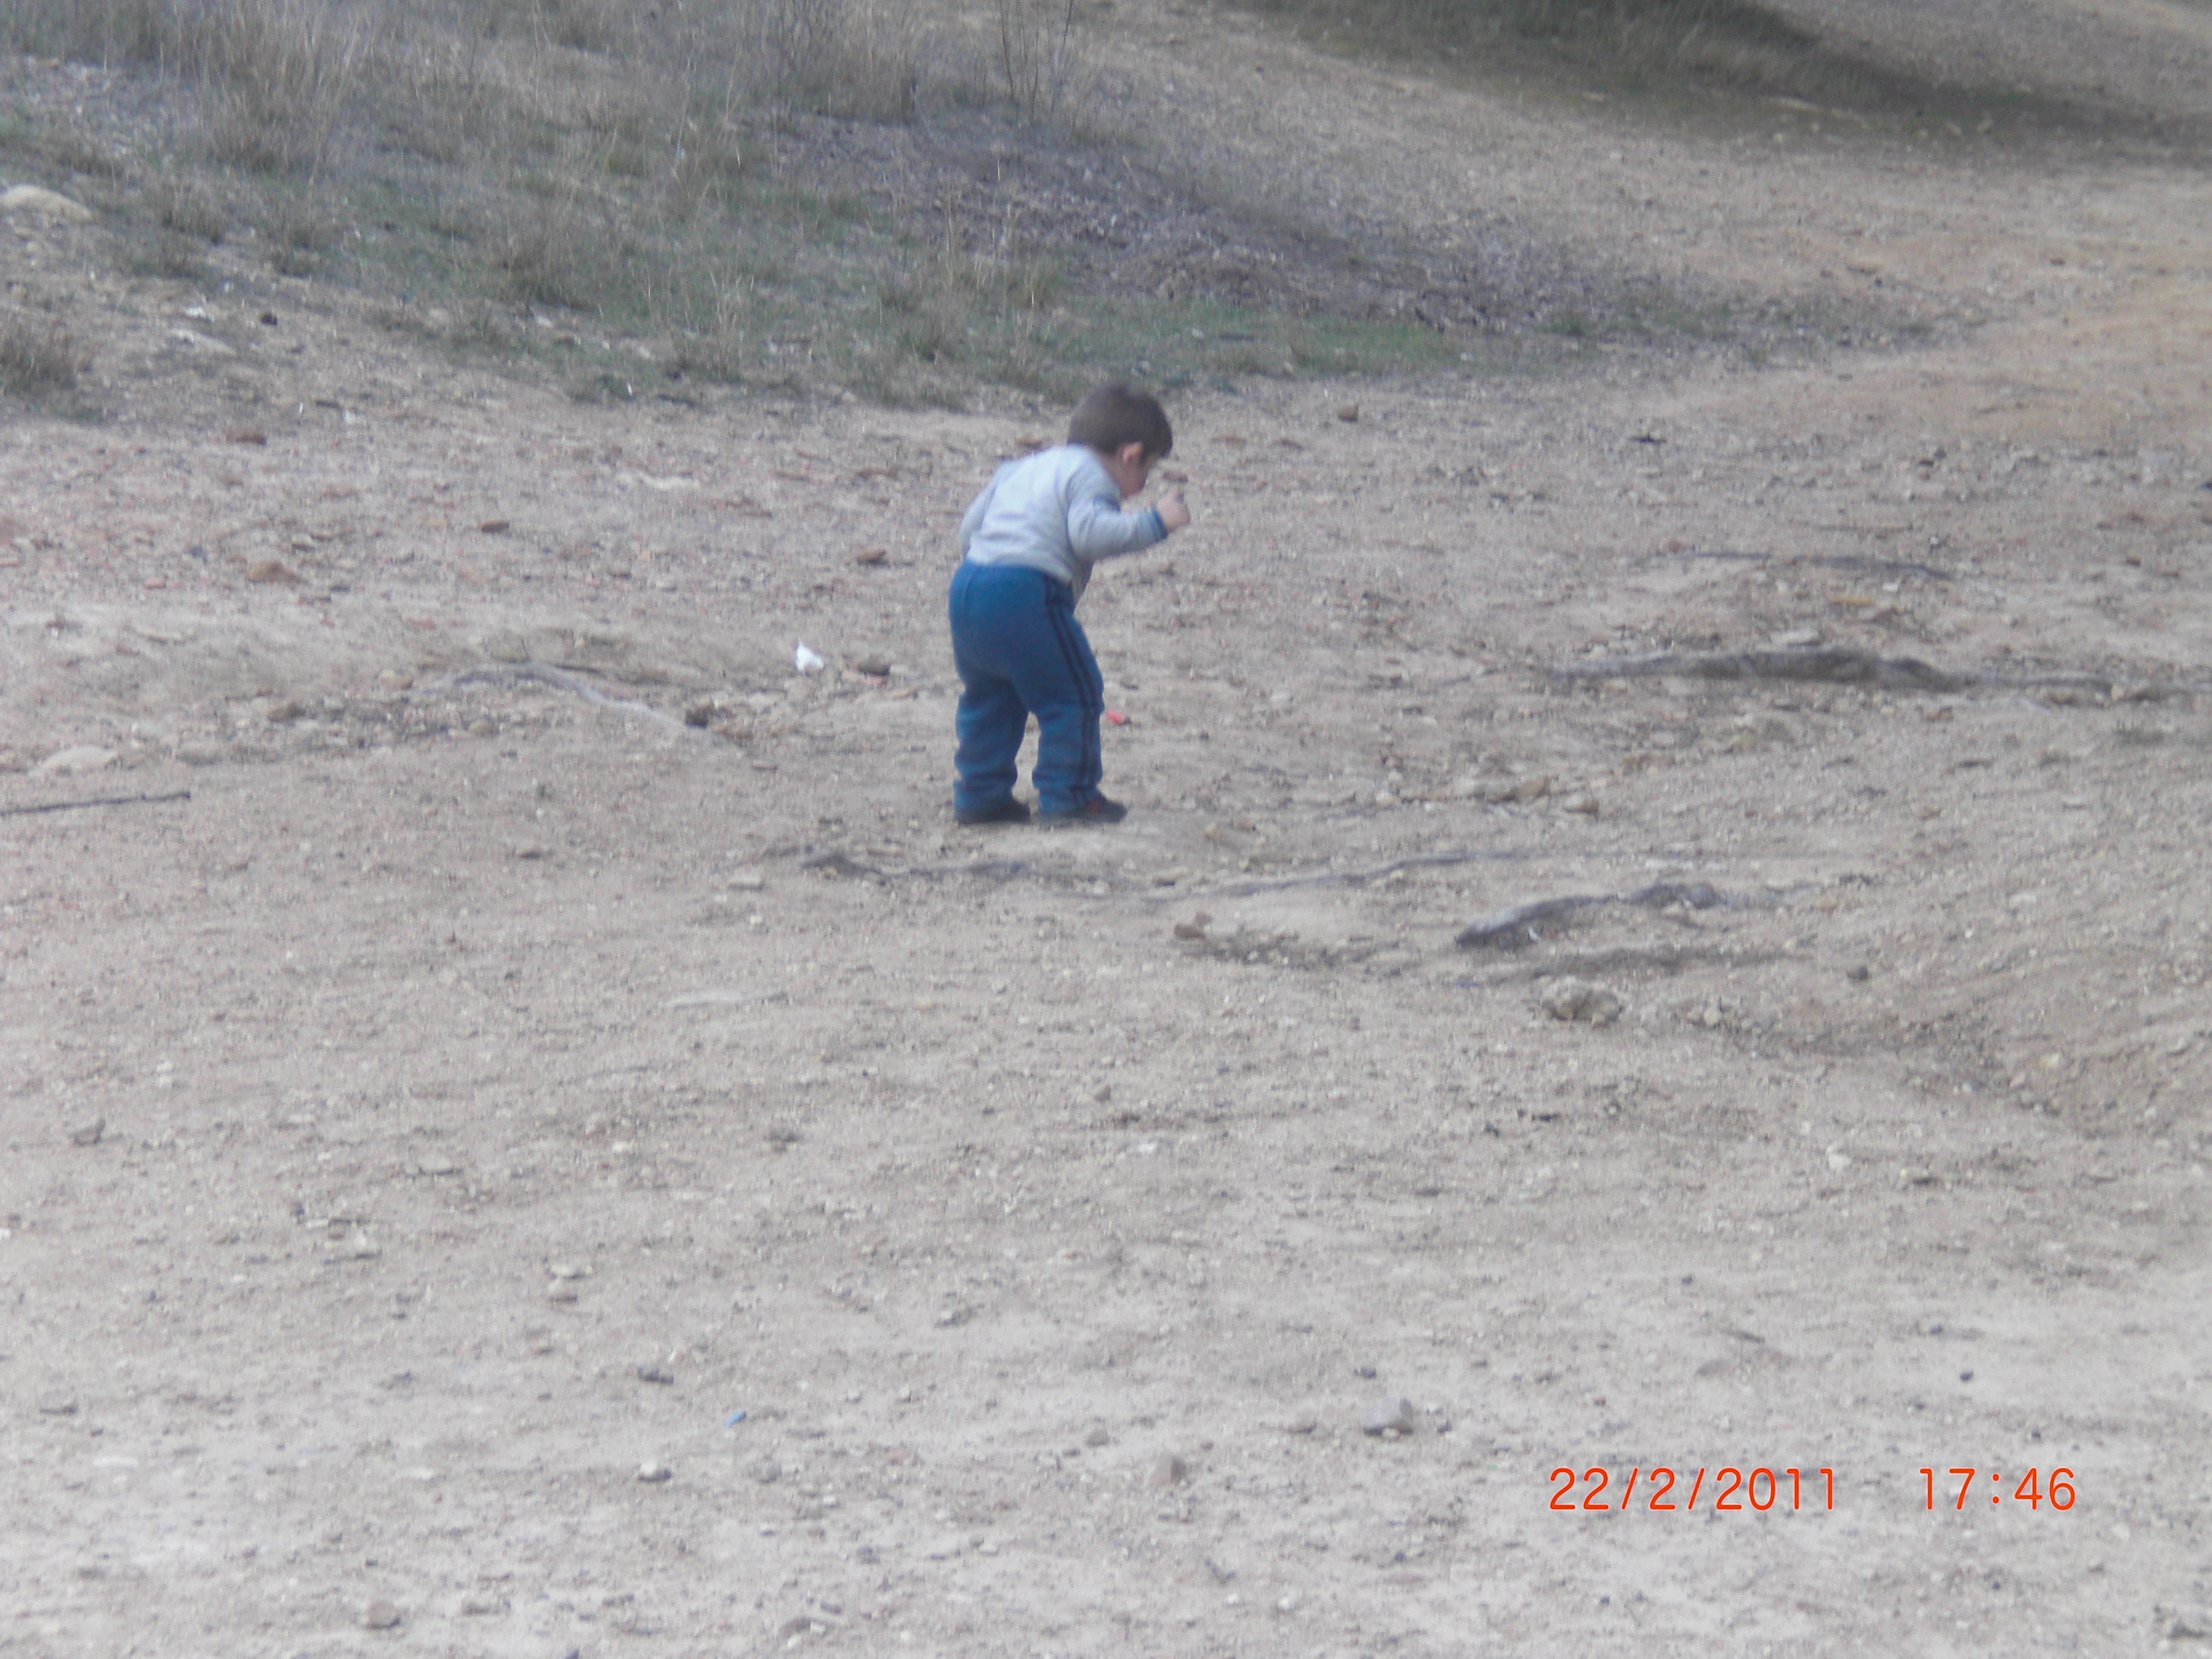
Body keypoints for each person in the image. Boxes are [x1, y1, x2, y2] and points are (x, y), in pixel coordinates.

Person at [947, 383, 1190, 827]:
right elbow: (1089, 534)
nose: (1140, 487)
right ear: (1130, 456)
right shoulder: (1093, 477)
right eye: (1148, 471)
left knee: (991, 696)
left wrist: (990, 571)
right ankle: (1070, 795)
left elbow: (969, 529)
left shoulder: (1023, 467)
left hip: (970, 586)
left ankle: (980, 796)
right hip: (1028, 591)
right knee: (1072, 695)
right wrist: (1155, 522)